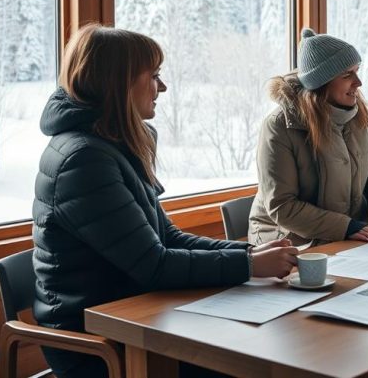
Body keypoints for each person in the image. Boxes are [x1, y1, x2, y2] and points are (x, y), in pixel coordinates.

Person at [32, 25, 298, 378]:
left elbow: (167, 238)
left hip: (140, 314)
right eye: (154, 76)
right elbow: (154, 265)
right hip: (98, 343)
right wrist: (249, 268)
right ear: (120, 82)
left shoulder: (109, 145)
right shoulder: (84, 161)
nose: (163, 87)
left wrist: (247, 254)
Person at [249, 27, 368, 246]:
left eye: (357, 71)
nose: (358, 82)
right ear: (322, 83)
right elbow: (282, 206)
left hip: (348, 237)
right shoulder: (279, 127)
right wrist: (347, 226)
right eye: (347, 74)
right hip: (288, 243)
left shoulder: (356, 114)